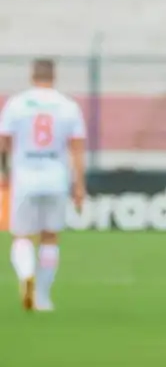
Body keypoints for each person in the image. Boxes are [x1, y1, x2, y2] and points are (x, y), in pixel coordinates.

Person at [0, 58, 86, 312]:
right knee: (49, 236)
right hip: (55, 176)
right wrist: (79, 186)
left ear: (32, 75)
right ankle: (43, 297)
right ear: (53, 76)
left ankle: (26, 275)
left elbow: (3, 142)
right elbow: (77, 149)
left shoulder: (17, 103)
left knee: (22, 235)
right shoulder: (67, 105)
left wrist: (3, 172)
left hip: (25, 174)